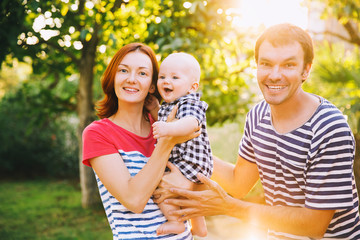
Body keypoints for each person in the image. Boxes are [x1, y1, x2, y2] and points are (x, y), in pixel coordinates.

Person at [159, 23, 360, 239]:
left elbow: (313, 225)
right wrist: (186, 146)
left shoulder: (329, 127)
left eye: (288, 65)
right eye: (266, 64)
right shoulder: (258, 115)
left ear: (306, 70)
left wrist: (229, 207)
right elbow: (238, 184)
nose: (274, 75)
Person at [82, 43, 199, 240]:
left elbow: (200, 171)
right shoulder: (98, 133)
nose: (131, 79)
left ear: (153, 85)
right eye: (123, 70)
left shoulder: (168, 125)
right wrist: (167, 142)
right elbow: (134, 199)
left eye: (142, 73)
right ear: (113, 77)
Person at [146, 53, 212, 236]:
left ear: (192, 87)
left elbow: (191, 123)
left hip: (190, 162)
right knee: (186, 195)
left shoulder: (190, 102)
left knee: (158, 185)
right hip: (188, 162)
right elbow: (168, 116)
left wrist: (168, 128)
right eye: (162, 77)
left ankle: (175, 221)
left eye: (175, 77)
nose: (167, 81)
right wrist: (154, 109)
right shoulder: (173, 103)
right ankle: (199, 225)